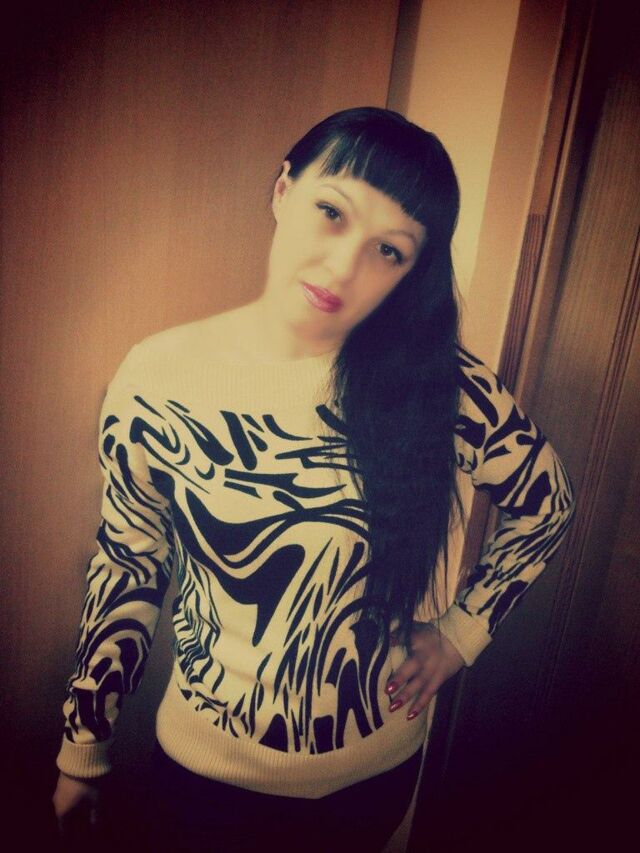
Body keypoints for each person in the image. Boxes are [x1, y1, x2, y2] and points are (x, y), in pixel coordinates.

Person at [51, 106, 576, 852]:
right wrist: (84, 746)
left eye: (389, 250)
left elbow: (548, 504)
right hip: (203, 781)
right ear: (283, 189)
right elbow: (131, 559)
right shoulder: (160, 376)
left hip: (371, 781)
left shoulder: (447, 388)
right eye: (332, 212)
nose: (343, 267)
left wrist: (462, 635)